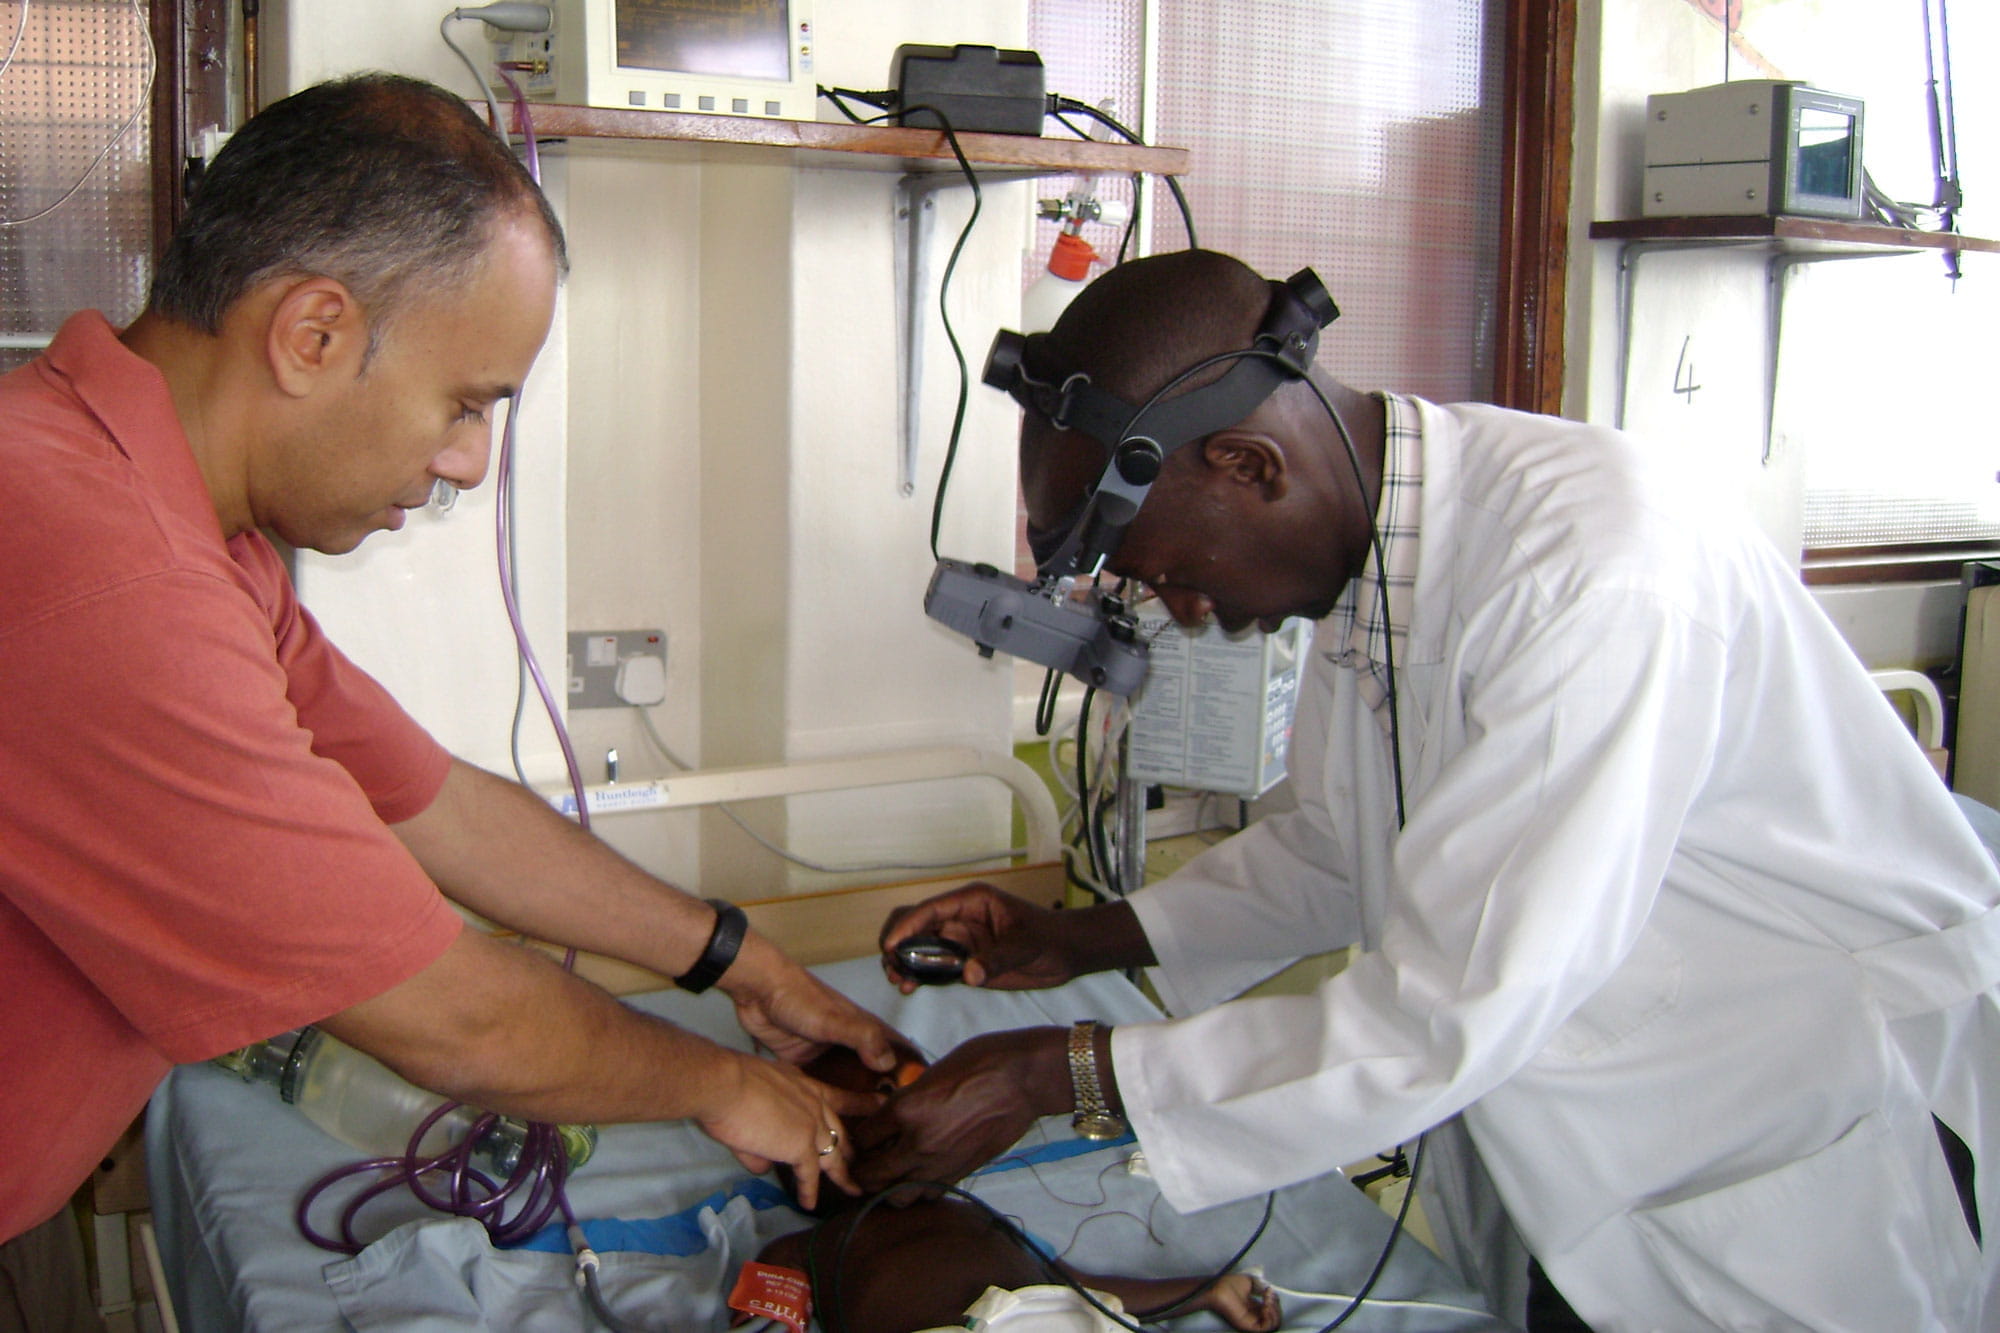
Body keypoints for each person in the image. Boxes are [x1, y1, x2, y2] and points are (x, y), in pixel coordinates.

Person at [862, 248, 2000, 1331]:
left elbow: (1449, 1004)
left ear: (1249, 467)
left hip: (1771, 1150)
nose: (1189, 614)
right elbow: (1335, 847)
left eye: (1175, 573)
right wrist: (1076, 940)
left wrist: (1050, 1070)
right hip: (1585, 1147)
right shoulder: (1373, 574)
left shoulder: (1593, 577)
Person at [0, 73, 900, 1323]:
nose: (467, 463)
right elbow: (449, 1014)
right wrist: (722, 1085)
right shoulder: (99, 569)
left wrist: (735, 959)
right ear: (312, 335)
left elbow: (430, 801)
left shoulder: (182, 528)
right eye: (464, 402)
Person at [749, 1043, 1281, 1333]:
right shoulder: (821, 1245)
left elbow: (1084, 1290)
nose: (919, 1096)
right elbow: (765, 1314)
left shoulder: (971, 1217)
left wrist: (1206, 1291)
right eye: (883, 1091)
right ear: (807, 1163)